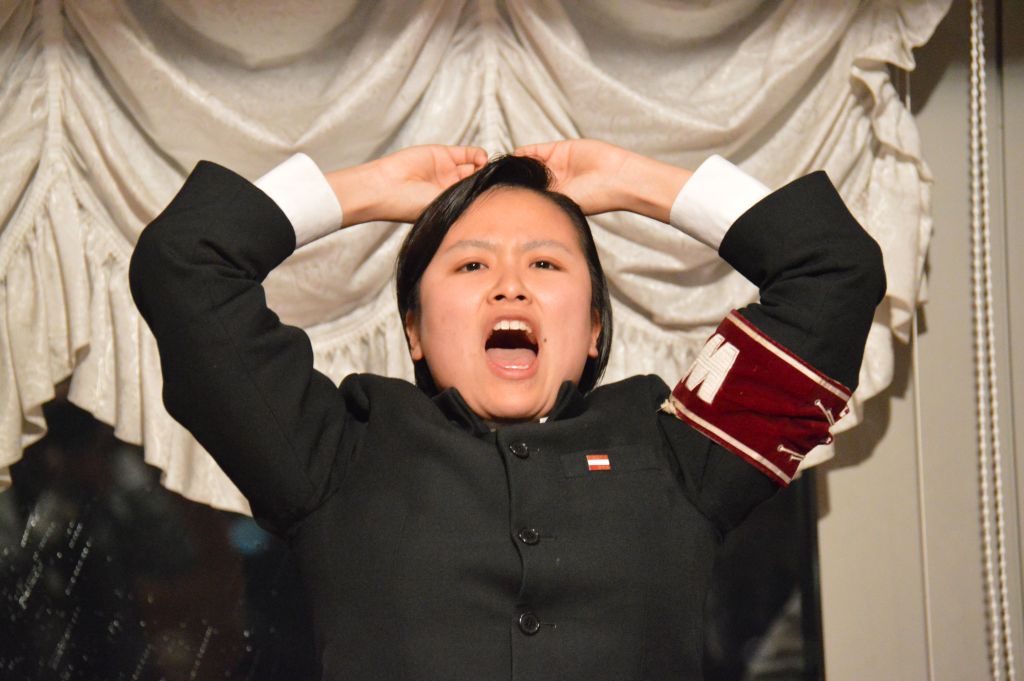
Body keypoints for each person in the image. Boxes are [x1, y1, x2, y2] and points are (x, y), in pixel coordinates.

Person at [128, 139, 885, 680]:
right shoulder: (334, 454)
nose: (510, 285)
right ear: (414, 331)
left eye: (545, 262)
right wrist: (371, 189)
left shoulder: (681, 457)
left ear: (594, 330)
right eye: (471, 263)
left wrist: (633, 182)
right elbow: (184, 263)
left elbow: (834, 271)